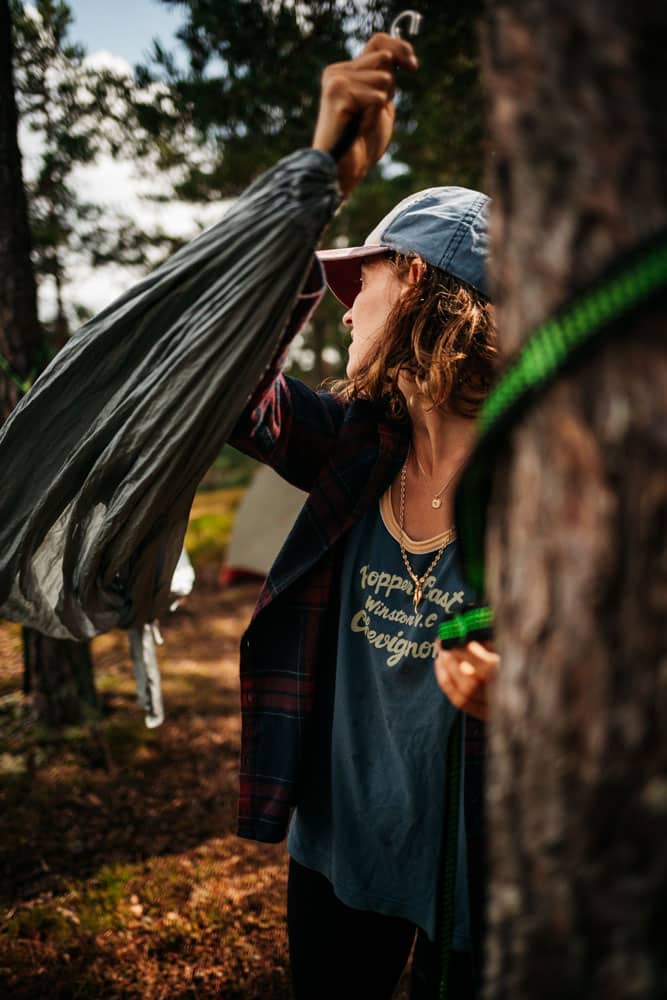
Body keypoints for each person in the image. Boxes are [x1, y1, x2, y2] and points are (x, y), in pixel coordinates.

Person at [229, 31, 500, 1000]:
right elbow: (226, 378)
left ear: (417, 280)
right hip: (336, 857)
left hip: (489, 881)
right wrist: (321, 173)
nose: (341, 309)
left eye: (360, 282)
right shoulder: (352, 440)